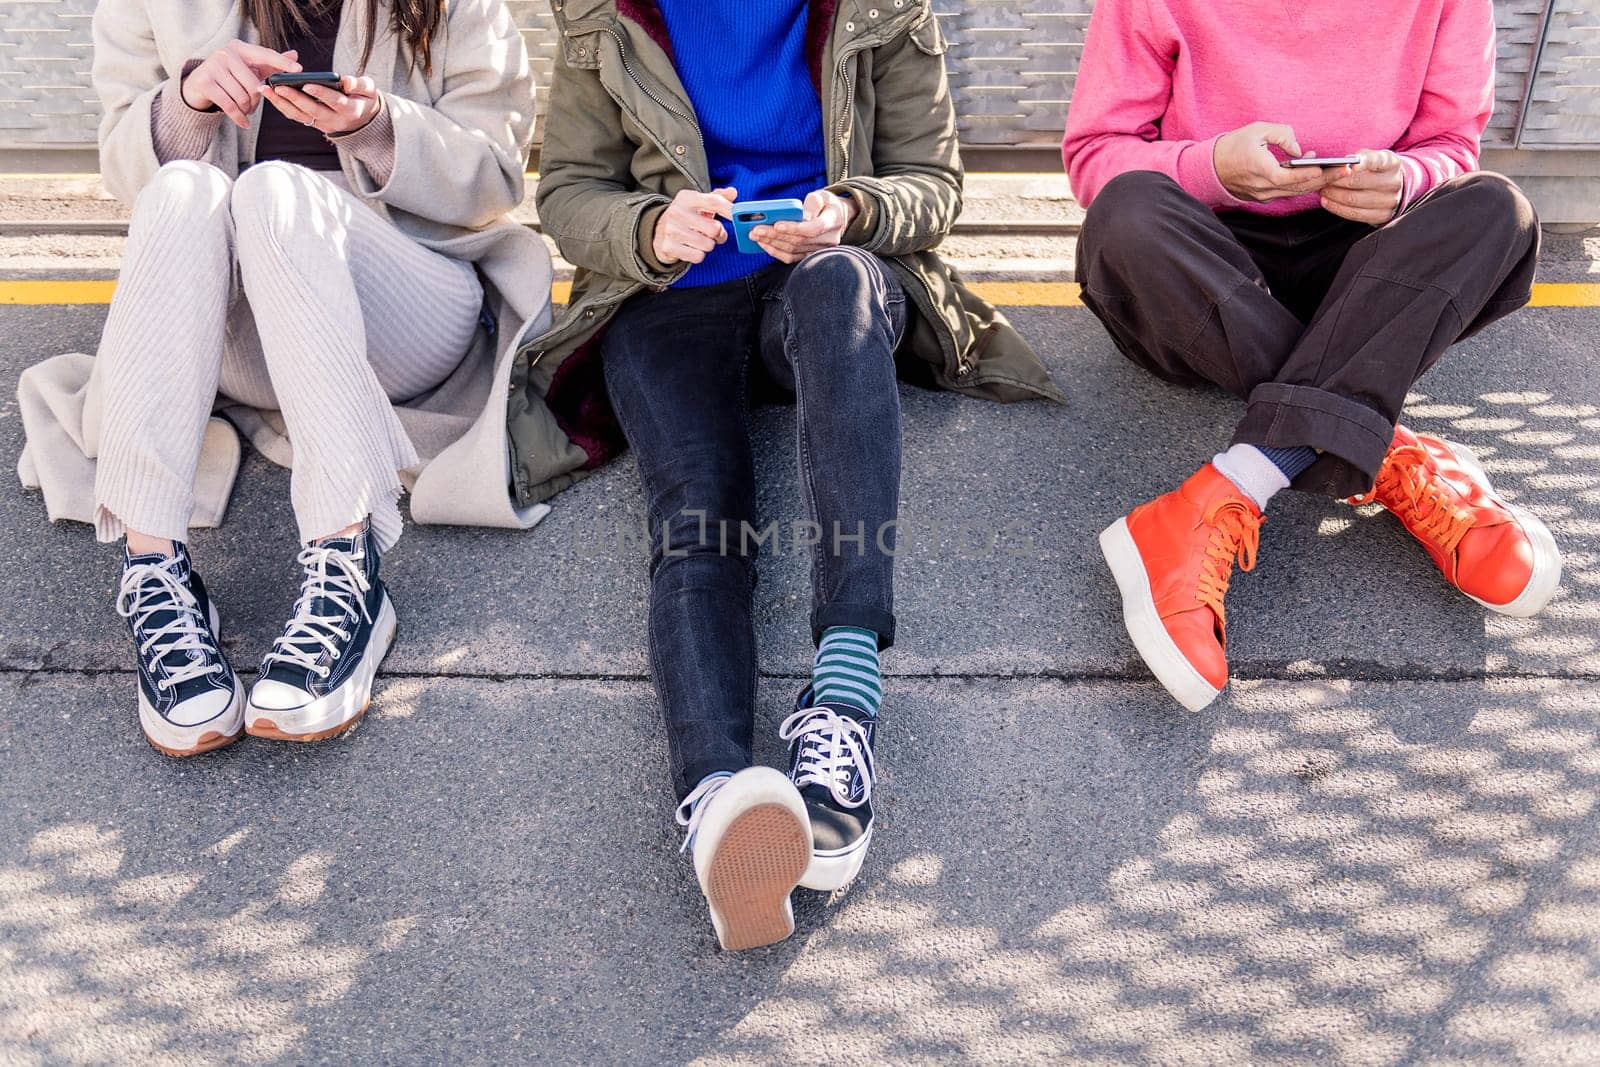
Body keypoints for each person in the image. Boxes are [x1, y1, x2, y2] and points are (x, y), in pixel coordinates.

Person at [532, 0, 1059, 950]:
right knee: (698, 513)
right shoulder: (605, 13)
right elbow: (569, 191)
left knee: (842, 284)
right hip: (669, 296)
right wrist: (651, 227)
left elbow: (934, 185)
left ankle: (844, 703)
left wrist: (851, 211)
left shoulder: (884, 8)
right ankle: (717, 799)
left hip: (820, 281)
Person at [18, 0, 549, 756]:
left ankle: (347, 570)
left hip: (405, 308)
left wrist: (375, 126)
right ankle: (157, 576)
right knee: (180, 192)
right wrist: (189, 101)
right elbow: (122, 169)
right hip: (246, 330)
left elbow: (496, 175)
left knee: (276, 189)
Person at [1062, 0, 1560, 712]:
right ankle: (1381, 446)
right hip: (1203, 258)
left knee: (1497, 210)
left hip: (1359, 265)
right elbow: (1094, 158)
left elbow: (1452, 148)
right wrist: (1213, 168)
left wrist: (1405, 184)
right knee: (1126, 213)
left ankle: (1230, 487)